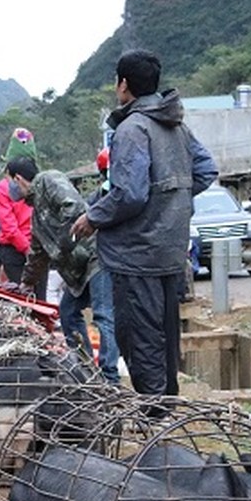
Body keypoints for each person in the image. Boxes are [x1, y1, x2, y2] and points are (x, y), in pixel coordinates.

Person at [73, 49, 218, 397]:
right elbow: (206, 170)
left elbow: (130, 194)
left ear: (123, 85)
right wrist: (170, 205)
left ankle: (155, 416)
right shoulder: (177, 126)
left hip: (137, 255)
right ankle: (165, 407)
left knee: (139, 337)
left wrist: (93, 217)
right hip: (170, 251)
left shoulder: (132, 129)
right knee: (165, 336)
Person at [9, 158, 120, 385]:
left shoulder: (50, 180)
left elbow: (73, 207)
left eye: (10, 181)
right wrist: (26, 283)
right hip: (78, 271)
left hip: (95, 257)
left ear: (18, 178)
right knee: (68, 312)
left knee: (103, 315)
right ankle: (85, 369)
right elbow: (38, 255)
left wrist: (64, 243)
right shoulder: (37, 217)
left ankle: (109, 378)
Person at [0, 160, 32, 284]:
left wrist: (26, 248)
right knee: (39, 297)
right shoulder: (37, 185)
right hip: (35, 247)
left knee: (21, 296)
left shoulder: (4, 187)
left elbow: (8, 226)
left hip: (15, 249)